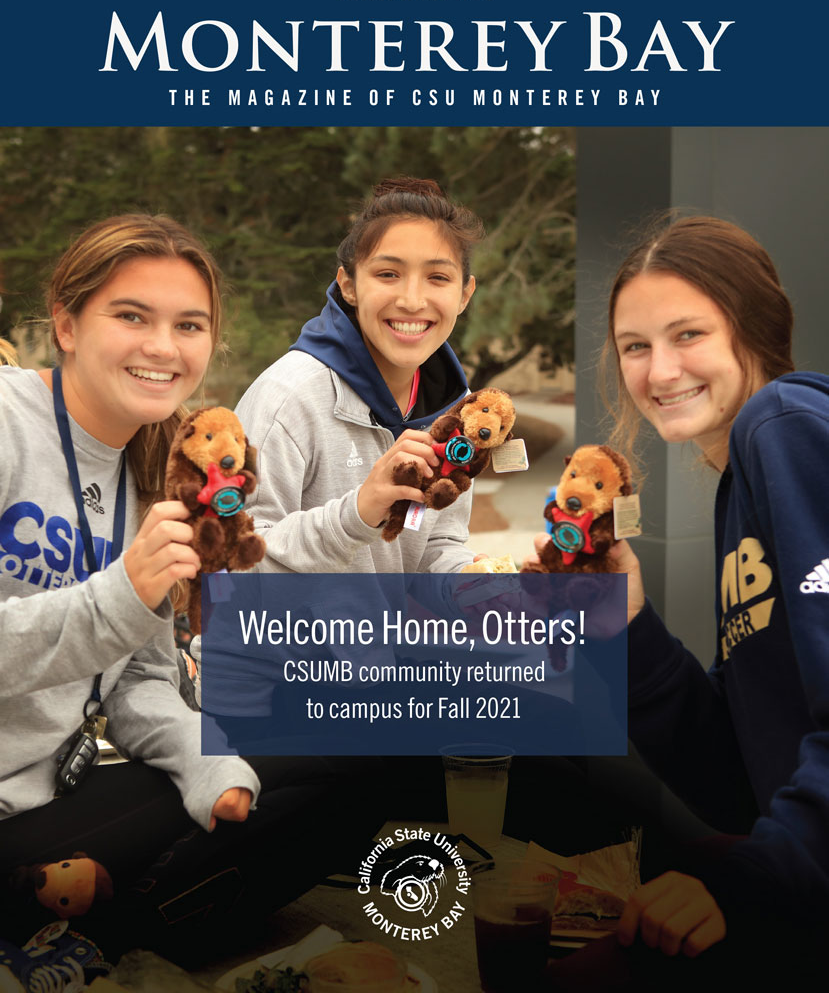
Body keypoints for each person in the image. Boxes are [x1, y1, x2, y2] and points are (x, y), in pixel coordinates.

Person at [0, 215, 380, 970]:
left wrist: (204, 764)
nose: (162, 347)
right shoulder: (9, 421)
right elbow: (110, 611)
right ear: (67, 323)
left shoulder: (160, 469)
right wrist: (121, 592)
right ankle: (81, 927)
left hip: (50, 800)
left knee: (342, 764)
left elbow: (138, 681)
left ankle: (64, 924)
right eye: (131, 316)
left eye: (189, 325)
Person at [545, 215, 827, 986]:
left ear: (754, 328)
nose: (659, 371)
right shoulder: (742, 482)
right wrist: (625, 621)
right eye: (635, 346)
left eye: (688, 335)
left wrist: (753, 879)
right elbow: (740, 779)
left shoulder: (785, 425)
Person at [234, 176, 483, 576]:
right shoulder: (287, 398)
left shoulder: (457, 414)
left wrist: (468, 579)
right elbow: (232, 568)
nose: (412, 300)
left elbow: (437, 544)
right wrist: (357, 514)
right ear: (348, 285)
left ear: (464, 295)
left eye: (437, 277)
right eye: (388, 274)